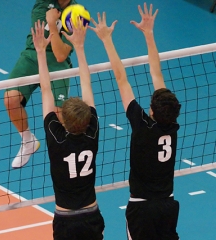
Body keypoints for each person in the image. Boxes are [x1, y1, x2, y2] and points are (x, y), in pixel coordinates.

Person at [89, 3, 181, 240]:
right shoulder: (172, 126)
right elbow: (157, 74)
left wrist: (107, 39)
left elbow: (122, 79)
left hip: (142, 208)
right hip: (168, 205)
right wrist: (149, 34)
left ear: (151, 110)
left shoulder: (143, 126)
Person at [31, 17, 105, 240]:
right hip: (92, 214)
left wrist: (41, 51)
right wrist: (80, 47)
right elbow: (87, 84)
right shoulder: (91, 132)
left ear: (62, 120)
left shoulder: (59, 139)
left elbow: (46, 90)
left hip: (65, 219)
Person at [4, 0, 77, 168]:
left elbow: (60, 55)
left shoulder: (78, 13)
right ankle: (27, 141)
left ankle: (67, 159)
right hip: (33, 54)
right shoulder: (42, 5)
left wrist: (52, 24)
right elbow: (43, 46)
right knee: (11, 99)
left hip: (57, 64)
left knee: (59, 114)